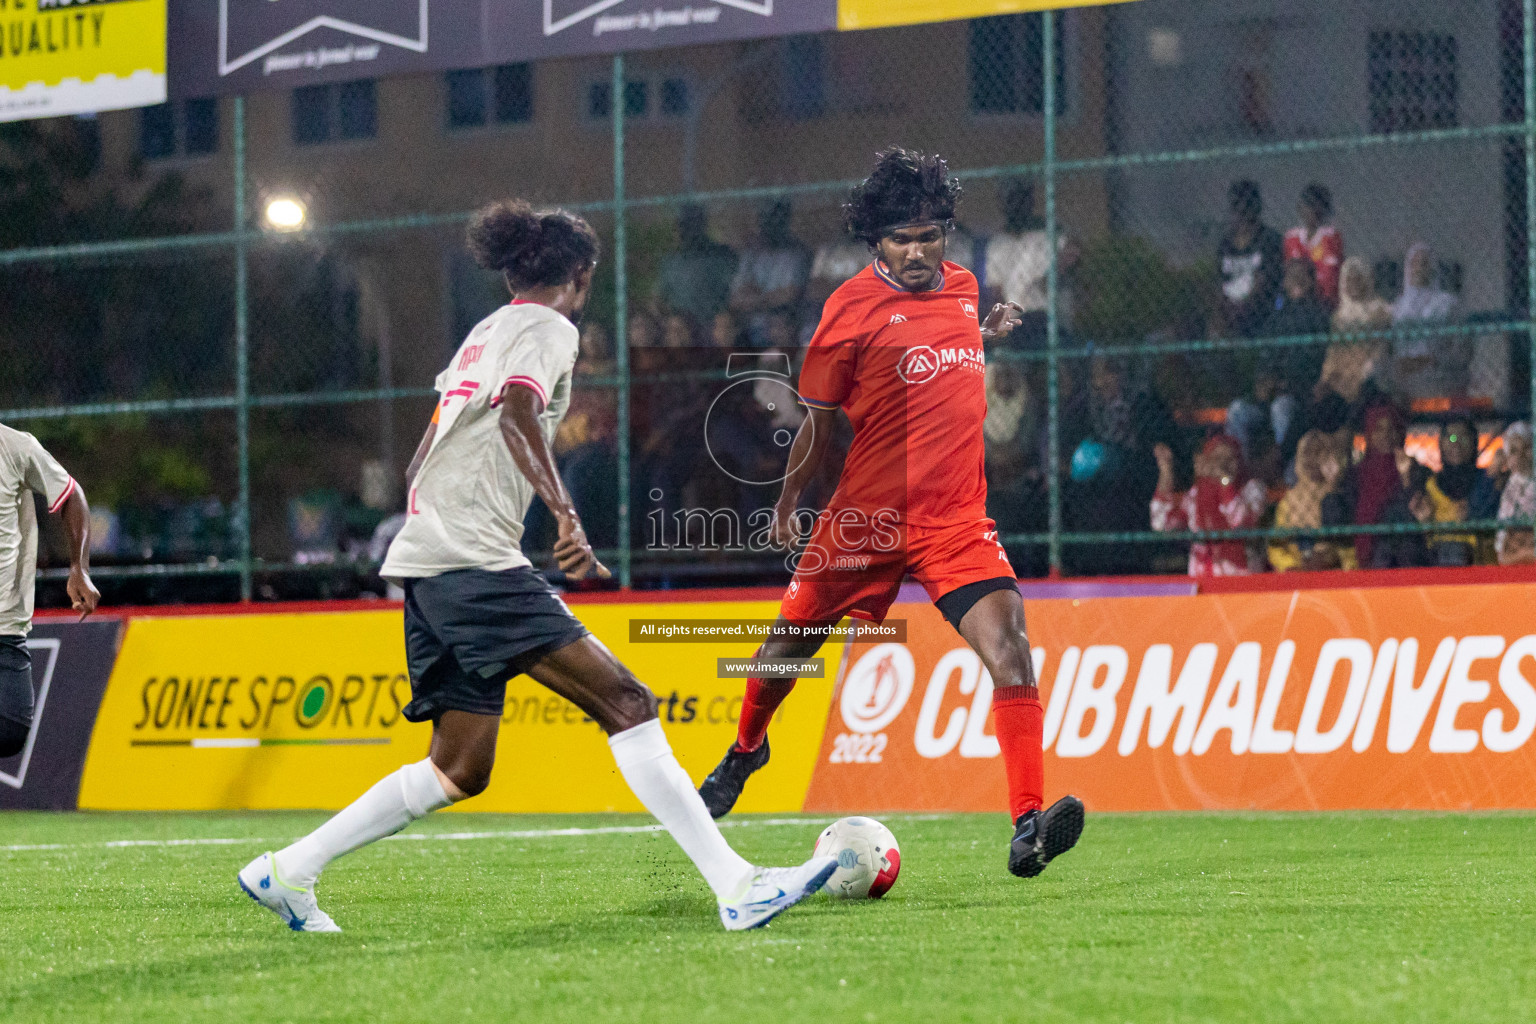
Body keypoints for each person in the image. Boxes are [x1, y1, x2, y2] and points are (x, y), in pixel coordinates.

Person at [238, 201, 835, 934]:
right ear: (580, 277)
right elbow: (520, 412)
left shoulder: (482, 334)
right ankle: (738, 885)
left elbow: (424, 454)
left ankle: (288, 870)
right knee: (629, 702)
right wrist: (566, 515)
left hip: (431, 557)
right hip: (472, 560)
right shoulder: (550, 328)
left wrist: (446, 527)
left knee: (459, 768)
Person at [695, 148, 1084, 879]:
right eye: (901, 237)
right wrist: (788, 504)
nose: (917, 250)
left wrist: (985, 334)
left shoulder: (966, 288)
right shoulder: (846, 308)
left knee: (1011, 647)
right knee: (781, 653)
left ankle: (1027, 824)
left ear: (945, 235)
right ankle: (748, 748)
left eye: (930, 235)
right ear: (875, 237)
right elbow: (816, 420)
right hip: (863, 520)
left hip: (955, 522)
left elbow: (944, 348)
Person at [0, 424, 99, 758]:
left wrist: (79, 569)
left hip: (4, 626)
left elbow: (71, 495)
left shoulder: (16, 447)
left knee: (11, 730)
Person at [1150, 435, 1269, 577]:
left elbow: (1238, 520)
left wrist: (1225, 482)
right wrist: (1166, 471)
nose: (1223, 464)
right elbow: (1161, 524)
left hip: (1240, 572)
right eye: (1217, 459)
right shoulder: (1197, 492)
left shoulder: (1253, 488)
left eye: (1229, 459)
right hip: (1203, 572)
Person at [982, 179, 1075, 349]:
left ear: (1030, 201)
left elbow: (1073, 250)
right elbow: (996, 292)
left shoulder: (1049, 233)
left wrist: (1053, 275)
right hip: (1017, 324)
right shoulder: (997, 243)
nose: (1016, 205)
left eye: (1021, 199)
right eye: (1010, 200)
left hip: (1050, 319)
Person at [1267, 430, 1355, 571]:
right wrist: (1290, 566)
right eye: (1307, 453)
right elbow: (1275, 547)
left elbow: (1348, 548)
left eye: (1319, 452)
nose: (1312, 459)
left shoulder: (1339, 496)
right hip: (1296, 573)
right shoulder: (1289, 500)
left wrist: (1330, 560)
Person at [729, 200, 811, 348]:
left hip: (784, 326)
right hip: (750, 328)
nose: (769, 226)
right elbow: (736, 299)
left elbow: (790, 295)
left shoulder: (796, 254)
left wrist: (756, 298)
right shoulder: (751, 255)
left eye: (775, 220)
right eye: (765, 220)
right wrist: (770, 298)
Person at [1390, 242, 1466, 401]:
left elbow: (1461, 347)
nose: (1418, 268)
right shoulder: (1397, 307)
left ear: (1433, 267)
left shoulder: (1447, 303)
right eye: (1413, 263)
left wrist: (1431, 360)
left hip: (1437, 372)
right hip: (1404, 373)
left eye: (1424, 263)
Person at [1216, 180, 1284, 339]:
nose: (1241, 213)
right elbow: (1219, 282)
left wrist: (1244, 306)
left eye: (1246, 207)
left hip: (1261, 313)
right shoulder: (1226, 244)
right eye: (1236, 207)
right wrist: (1226, 309)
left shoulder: (1269, 240)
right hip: (1229, 312)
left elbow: (1266, 280)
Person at [1423, 418, 1494, 566]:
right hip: (1439, 558)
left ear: (1474, 442)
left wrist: (1474, 514)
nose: (1456, 444)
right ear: (1441, 444)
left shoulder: (1489, 481)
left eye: (1464, 438)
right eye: (1451, 437)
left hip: (1480, 560)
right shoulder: (1431, 485)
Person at [654, 204, 738, 328]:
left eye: (694, 224)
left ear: (702, 225)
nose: (689, 230)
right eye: (684, 225)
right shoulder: (670, 262)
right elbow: (660, 299)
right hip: (681, 328)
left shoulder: (721, 256)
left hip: (713, 327)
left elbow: (732, 295)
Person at [1283, 183, 1344, 306]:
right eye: (1308, 205)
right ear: (1300, 208)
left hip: (1324, 302)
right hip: (1295, 300)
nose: (1312, 210)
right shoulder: (1291, 237)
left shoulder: (1331, 237)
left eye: (1317, 205)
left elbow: (1330, 276)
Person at [1496, 422, 1535, 565]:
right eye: (1513, 451)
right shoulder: (1508, 488)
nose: (1521, 455)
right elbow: (1502, 553)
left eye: (1527, 448)